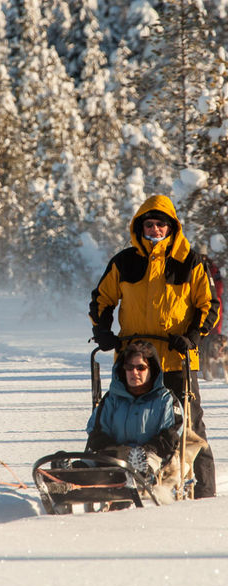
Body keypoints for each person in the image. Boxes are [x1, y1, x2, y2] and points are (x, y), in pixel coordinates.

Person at [89, 194, 220, 499]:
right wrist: (103, 331)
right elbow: (101, 299)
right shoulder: (124, 262)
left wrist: (192, 337)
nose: (155, 229)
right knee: (115, 419)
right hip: (133, 361)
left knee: (190, 427)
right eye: (149, 224)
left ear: (171, 227)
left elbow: (209, 306)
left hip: (176, 359)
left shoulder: (191, 262)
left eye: (161, 224)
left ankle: (204, 493)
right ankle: (106, 475)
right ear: (140, 227)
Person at [86, 341, 183, 487]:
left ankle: (139, 474)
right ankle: (67, 474)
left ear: (152, 370)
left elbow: (171, 434)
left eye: (141, 368)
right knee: (91, 462)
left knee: (145, 462)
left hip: (151, 456)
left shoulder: (166, 400)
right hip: (112, 454)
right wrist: (113, 449)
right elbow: (96, 430)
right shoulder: (112, 398)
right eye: (129, 367)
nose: (134, 372)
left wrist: (147, 450)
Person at [198, 244, 224, 335]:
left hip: (212, 297)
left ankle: (215, 335)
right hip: (198, 298)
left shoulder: (213, 269)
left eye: (203, 257)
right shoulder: (193, 267)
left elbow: (219, 286)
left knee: (217, 308)